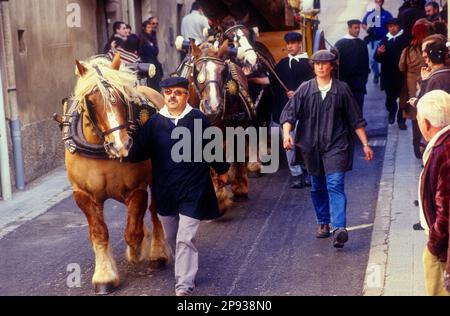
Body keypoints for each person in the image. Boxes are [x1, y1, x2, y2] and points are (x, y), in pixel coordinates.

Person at [127, 76, 230, 296]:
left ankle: (183, 285)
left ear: (186, 95)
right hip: (165, 191)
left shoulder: (198, 118)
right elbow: (137, 153)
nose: (172, 96)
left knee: (186, 237)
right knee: (172, 236)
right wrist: (125, 141)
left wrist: (222, 170)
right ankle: (185, 266)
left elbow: (211, 148)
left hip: (194, 188)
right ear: (164, 95)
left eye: (177, 92)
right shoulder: (154, 123)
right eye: (168, 92)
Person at [280, 50, 374, 248]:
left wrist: (365, 144)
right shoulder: (305, 89)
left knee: (335, 184)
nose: (321, 67)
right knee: (318, 186)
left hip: (336, 145)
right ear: (313, 66)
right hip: (311, 147)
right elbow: (289, 115)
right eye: (317, 64)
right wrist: (287, 134)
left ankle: (339, 228)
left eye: (325, 63)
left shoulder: (342, 90)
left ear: (332, 66)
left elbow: (355, 119)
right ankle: (323, 222)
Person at [416, 90, 450, 296]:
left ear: (426, 123)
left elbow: (445, 208)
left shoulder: (443, 148)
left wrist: (434, 246)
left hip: (443, 248)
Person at [271, 32, 314, 189]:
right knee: (289, 144)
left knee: (306, 143)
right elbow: (271, 82)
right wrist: (249, 77)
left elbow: (314, 85)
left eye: (293, 43)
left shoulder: (310, 64)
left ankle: (309, 172)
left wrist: (297, 93)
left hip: (305, 111)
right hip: (286, 113)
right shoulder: (281, 64)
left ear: (299, 44)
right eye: (288, 43)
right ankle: (296, 174)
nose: (290, 46)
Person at [399, 22, 429, 158]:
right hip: (427, 85)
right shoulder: (429, 50)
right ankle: (426, 145)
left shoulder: (407, 50)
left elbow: (401, 67)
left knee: (415, 119)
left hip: (412, 89)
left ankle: (416, 147)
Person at [374, 18, 409, 129]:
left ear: (398, 26)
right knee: (390, 98)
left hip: (402, 74)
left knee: (403, 99)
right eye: (390, 27)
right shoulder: (385, 40)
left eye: (394, 26)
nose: (392, 28)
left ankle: (401, 120)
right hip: (388, 75)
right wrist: (379, 53)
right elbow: (377, 58)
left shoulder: (405, 39)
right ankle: (392, 112)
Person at [335, 19, 370, 115]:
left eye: (358, 28)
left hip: (359, 85)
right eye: (355, 28)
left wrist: (364, 80)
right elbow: (334, 65)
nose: (357, 30)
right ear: (349, 28)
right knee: (345, 111)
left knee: (358, 110)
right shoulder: (340, 44)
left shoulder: (362, 44)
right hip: (345, 85)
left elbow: (366, 64)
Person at [362, 0, 393, 84]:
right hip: (373, 40)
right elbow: (363, 23)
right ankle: (376, 74)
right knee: (373, 60)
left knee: (386, 59)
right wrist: (367, 29)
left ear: (382, 2)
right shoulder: (371, 13)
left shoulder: (387, 14)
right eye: (376, 2)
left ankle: (385, 76)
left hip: (385, 40)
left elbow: (393, 25)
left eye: (379, 2)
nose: (378, 3)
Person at [140, 19, 163, 91]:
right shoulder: (141, 38)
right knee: (151, 81)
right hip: (146, 61)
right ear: (144, 28)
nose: (150, 29)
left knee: (157, 78)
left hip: (153, 60)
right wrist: (151, 46)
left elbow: (156, 51)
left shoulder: (152, 36)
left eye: (151, 27)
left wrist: (152, 46)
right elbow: (140, 50)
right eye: (148, 27)